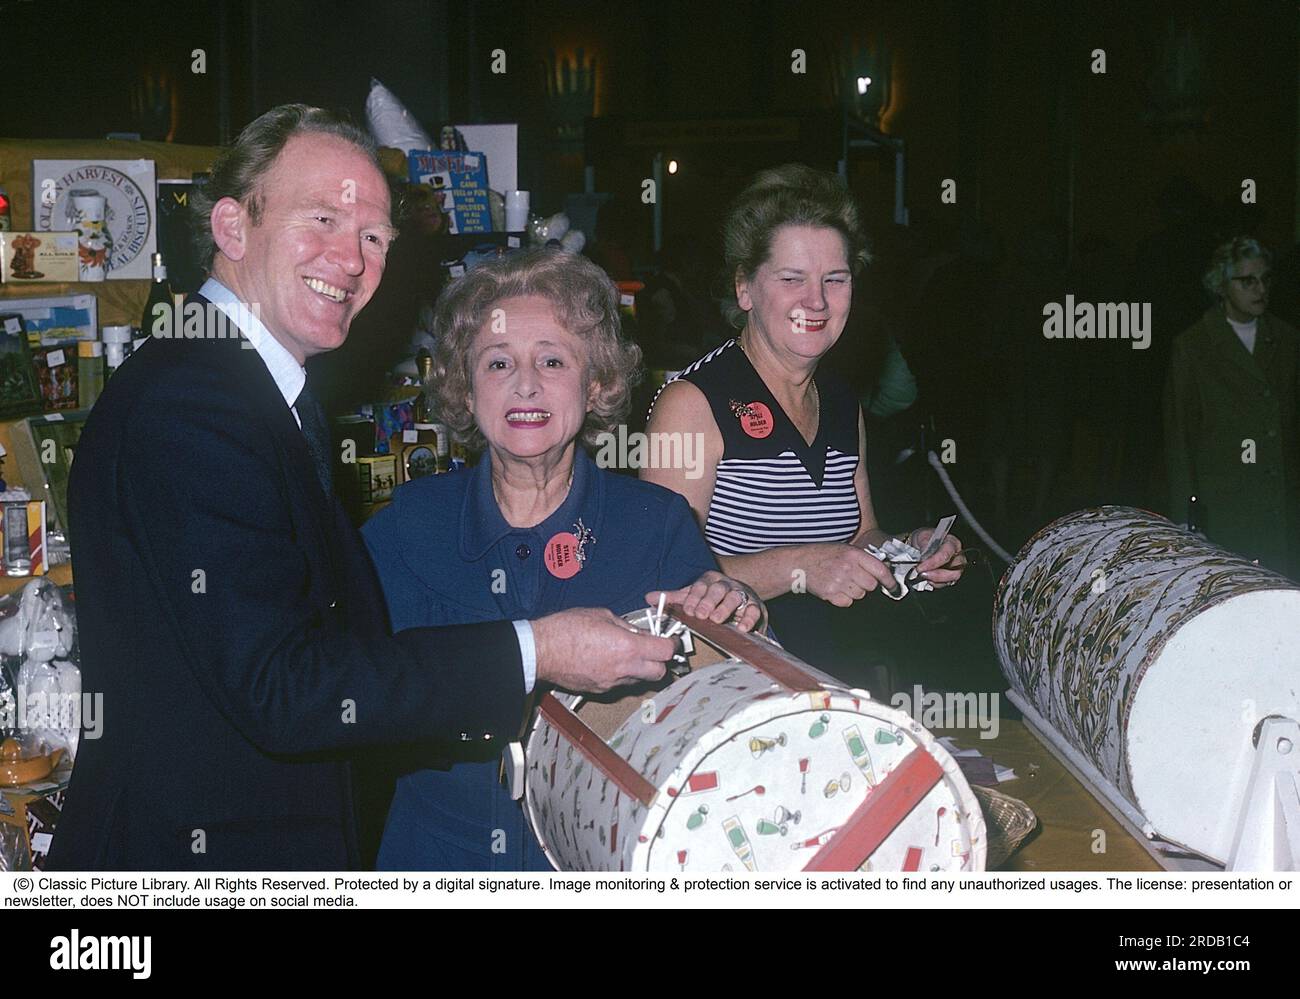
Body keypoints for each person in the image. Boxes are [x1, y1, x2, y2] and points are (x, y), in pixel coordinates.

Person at [47, 104, 683, 872]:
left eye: (373, 236)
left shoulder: (250, 391)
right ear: (232, 227)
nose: (349, 258)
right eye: (322, 218)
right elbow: (284, 686)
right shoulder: (194, 404)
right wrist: (541, 646)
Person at [362, 249, 761, 870]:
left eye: (552, 360)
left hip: (601, 867)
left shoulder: (654, 524)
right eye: (498, 363)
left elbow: (728, 705)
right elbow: (352, 694)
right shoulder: (406, 527)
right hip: (437, 859)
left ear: (596, 382)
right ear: (465, 391)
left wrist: (736, 613)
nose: (526, 385)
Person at [642, 165, 965, 683]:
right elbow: (664, 576)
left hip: (824, 667)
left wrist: (909, 550)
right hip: (727, 678)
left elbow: (859, 533)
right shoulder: (694, 402)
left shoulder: (840, 399)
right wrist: (802, 568)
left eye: (834, 279)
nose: (816, 301)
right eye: (792, 279)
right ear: (744, 288)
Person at [1163, 236, 1300, 576]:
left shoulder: (1287, 340)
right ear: (1221, 286)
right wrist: (1185, 514)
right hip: (1224, 504)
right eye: (1247, 281)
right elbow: (1179, 435)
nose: (1260, 289)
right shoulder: (1193, 347)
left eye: (1265, 279)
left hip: (1278, 503)